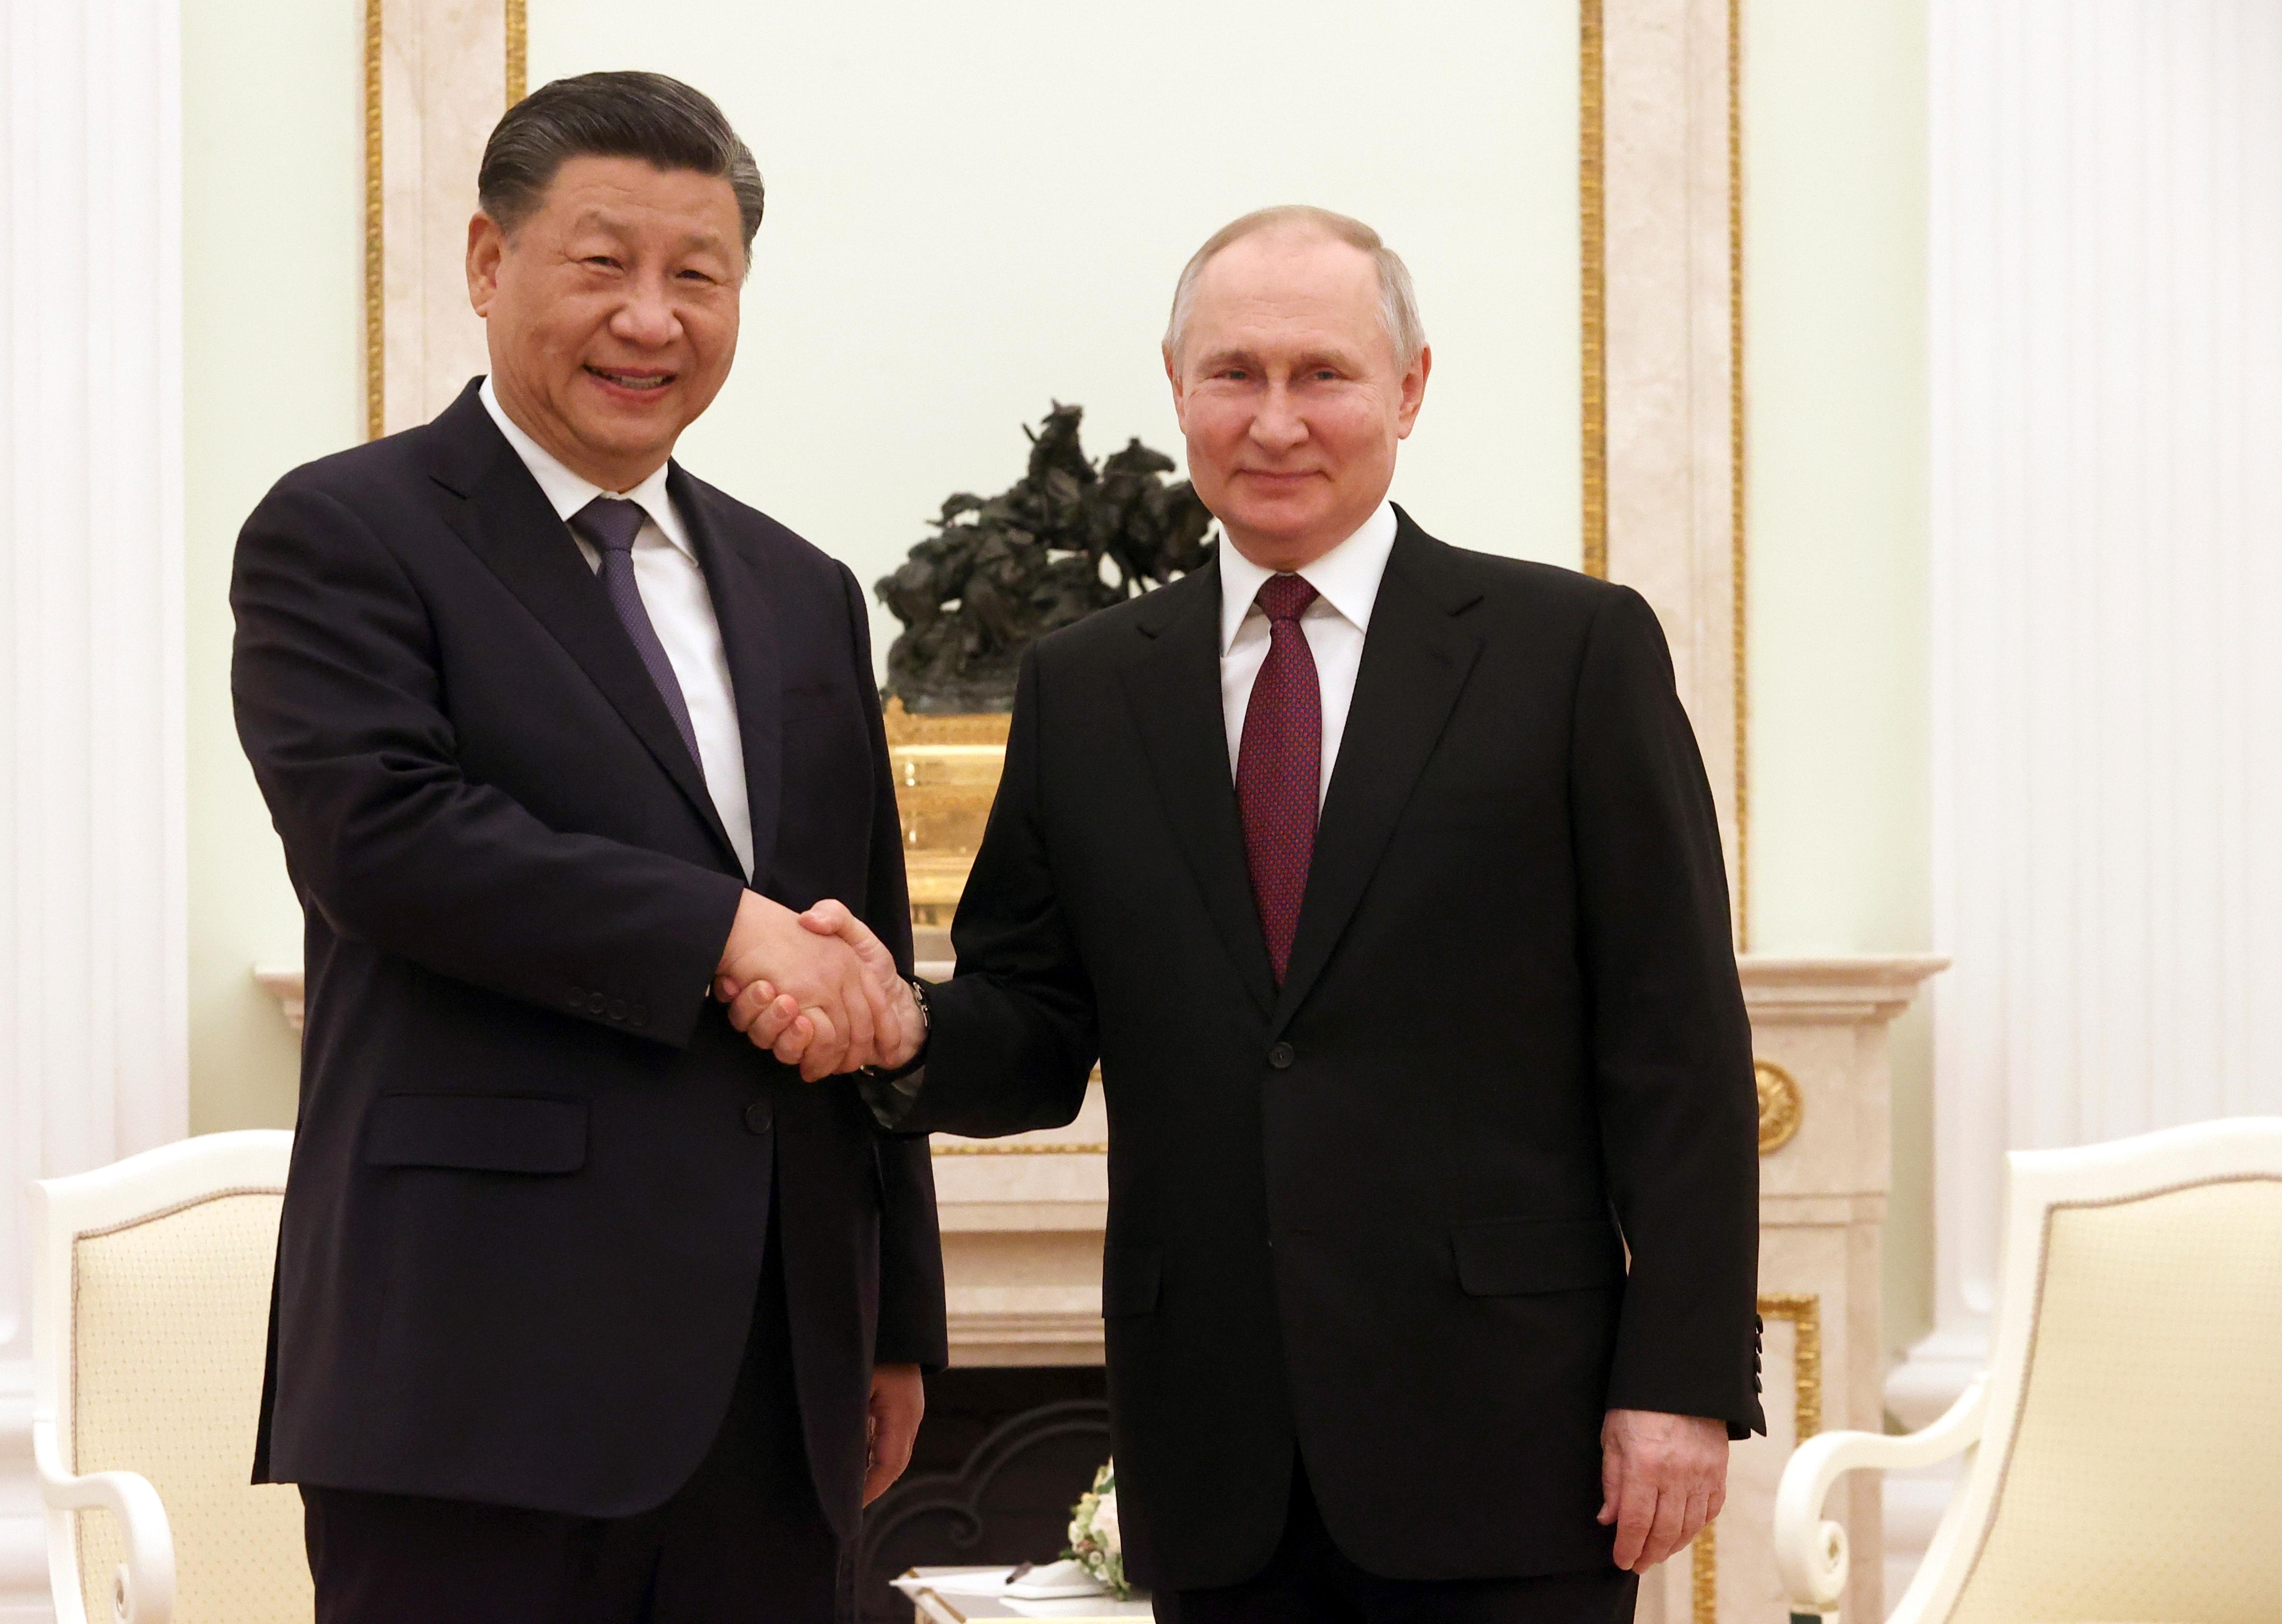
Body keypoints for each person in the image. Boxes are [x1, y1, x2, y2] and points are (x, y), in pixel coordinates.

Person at [725, 206, 1764, 1624]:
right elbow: (1037, 1025)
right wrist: (902, 1024)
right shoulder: (1087, 685)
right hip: (1214, 1459)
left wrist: (1680, 1385)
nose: (1276, 421)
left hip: (1512, 1446)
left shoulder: (1572, 653)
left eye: (1323, 373)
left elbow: (1679, 1048)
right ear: (1177, 388)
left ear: (1410, 388)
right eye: (1234, 374)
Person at [230, 71, 940, 1623]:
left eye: (700, 276)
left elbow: (857, 938)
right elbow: (383, 838)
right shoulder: (344, 532)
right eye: (604, 263)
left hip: (777, 1383)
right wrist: (722, 932)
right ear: (490, 263)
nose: (651, 319)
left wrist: (897, 1323)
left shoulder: (804, 588)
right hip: (475, 1379)